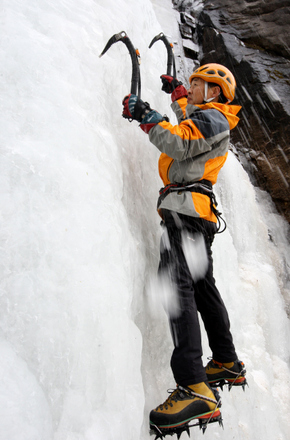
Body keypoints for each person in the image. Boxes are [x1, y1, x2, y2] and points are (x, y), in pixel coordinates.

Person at [122, 63, 247, 435]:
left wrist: (148, 117)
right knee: (202, 286)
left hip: (186, 212)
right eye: (189, 85)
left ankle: (194, 387)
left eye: (196, 85)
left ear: (214, 92)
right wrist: (177, 97)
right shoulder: (211, 117)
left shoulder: (213, 118)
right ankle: (225, 360)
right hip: (194, 213)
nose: (191, 90)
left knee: (176, 286)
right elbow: (191, 126)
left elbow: (179, 141)